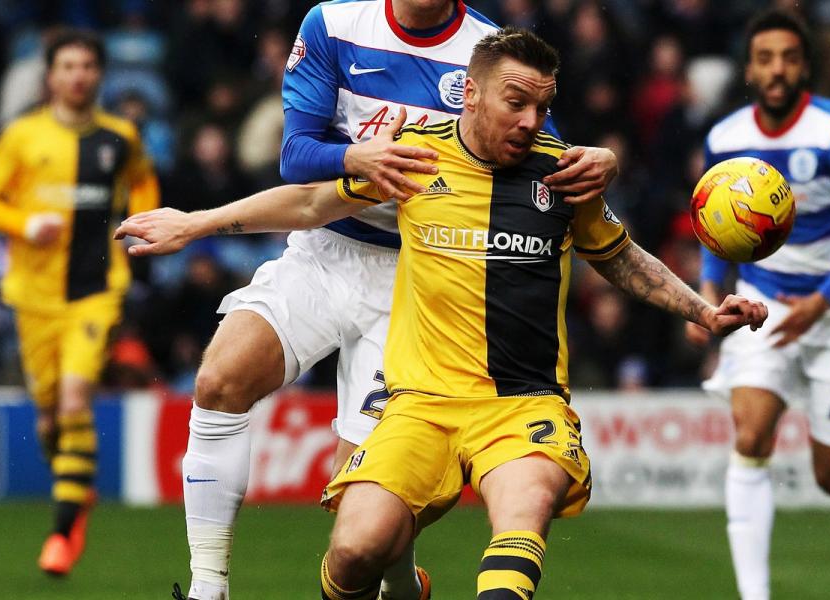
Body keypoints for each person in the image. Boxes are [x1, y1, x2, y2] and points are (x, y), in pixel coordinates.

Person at [119, 27, 767, 600]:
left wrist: (704, 312)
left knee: (523, 510)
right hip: (420, 398)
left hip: (520, 404)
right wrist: (196, 223)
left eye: (543, 107)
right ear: (471, 95)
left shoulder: (557, 173)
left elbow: (620, 256)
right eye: (517, 103)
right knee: (353, 552)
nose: (532, 120)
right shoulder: (415, 155)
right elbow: (311, 200)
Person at [172, 2, 620, 599]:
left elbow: (541, 164)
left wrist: (601, 160)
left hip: (416, 277)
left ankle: (404, 587)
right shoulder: (332, 25)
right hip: (327, 246)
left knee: (362, 511)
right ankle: (208, 588)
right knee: (220, 380)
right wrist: (353, 156)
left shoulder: (490, 49)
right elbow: (295, 155)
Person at [684, 10, 830, 600]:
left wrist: (821, 301)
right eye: (765, 58)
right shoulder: (725, 138)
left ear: (805, 65)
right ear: (750, 68)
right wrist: (708, 295)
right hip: (764, 305)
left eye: (787, 57)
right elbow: (714, 230)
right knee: (750, 435)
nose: (776, 69)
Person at [0, 28, 160, 577]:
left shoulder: (120, 136)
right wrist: (25, 222)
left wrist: (139, 226)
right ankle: (77, 486)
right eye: (68, 66)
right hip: (34, 296)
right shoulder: (21, 137)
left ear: (100, 74)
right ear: (51, 76)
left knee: (76, 397)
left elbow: (144, 183)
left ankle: (62, 528)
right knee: (50, 419)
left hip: (96, 292)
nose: (78, 76)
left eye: (87, 67)